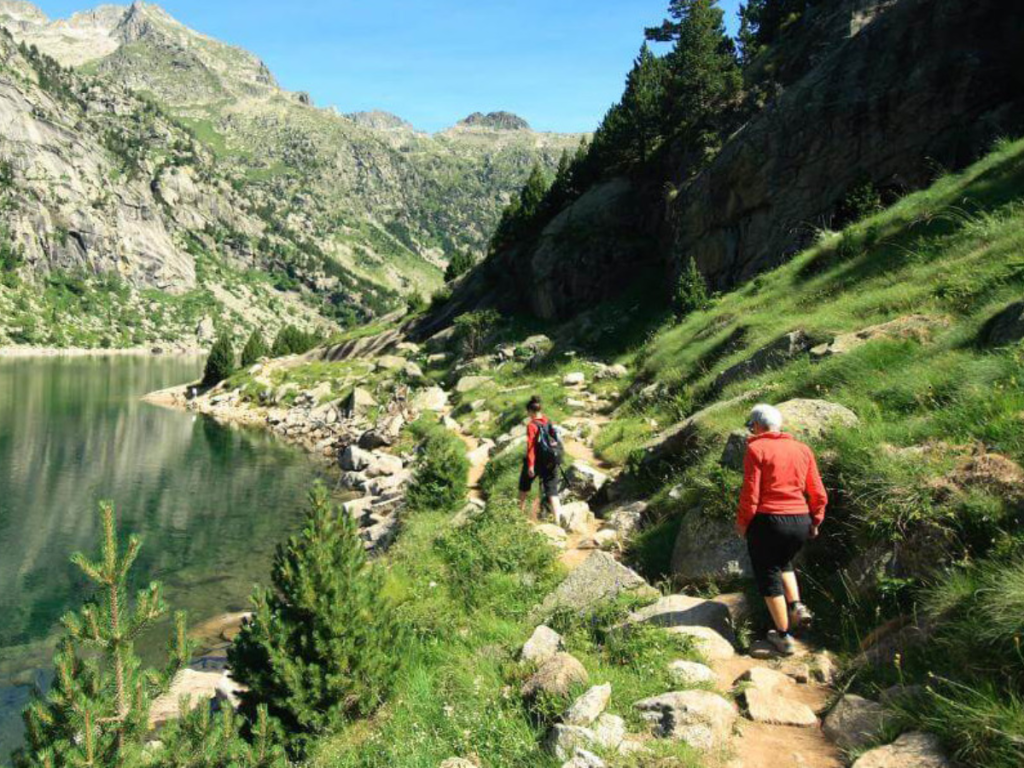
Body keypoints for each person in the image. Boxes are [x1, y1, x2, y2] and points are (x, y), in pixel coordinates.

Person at [735, 403, 828, 656]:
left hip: (769, 521)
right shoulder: (802, 449)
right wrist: (815, 520)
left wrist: (743, 523)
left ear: (757, 425)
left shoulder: (756, 449)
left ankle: (784, 636)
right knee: (783, 562)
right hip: (800, 520)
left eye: (751, 427)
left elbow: (750, 494)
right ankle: (796, 606)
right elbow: (818, 492)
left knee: (767, 574)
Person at [518, 395, 563, 522]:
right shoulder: (548, 421)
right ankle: (558, 520)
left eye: (528, 412)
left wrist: (531, 465)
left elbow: (531, 447)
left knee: (524, 485)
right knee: (552, 491)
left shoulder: (532, 425)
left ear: (530, 411)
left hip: (537, 462)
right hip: (551, 461)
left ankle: (518, 514)